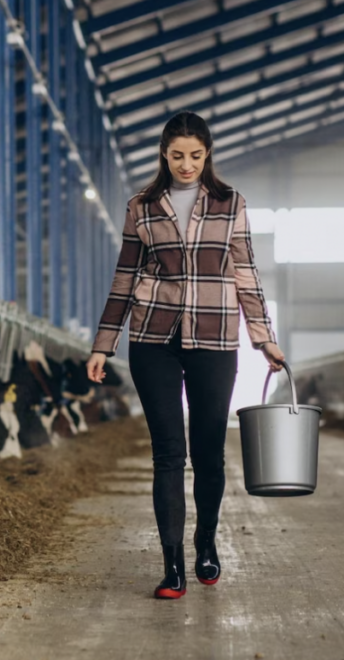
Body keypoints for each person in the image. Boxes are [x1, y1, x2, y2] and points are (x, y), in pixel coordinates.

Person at [85, 110, 285, 600]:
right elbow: (124, 277)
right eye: (177, 155)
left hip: (215, 339)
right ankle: (172, 565)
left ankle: (206, 544)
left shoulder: (230, 202)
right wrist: (103, 342)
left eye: (195, 155)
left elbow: (246, 274)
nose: (187, 164)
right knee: (168, 454)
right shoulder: (141, 206)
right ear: (164, 154)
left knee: (209, 452)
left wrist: (264, 338)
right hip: (152, 337)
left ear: (208, 153)